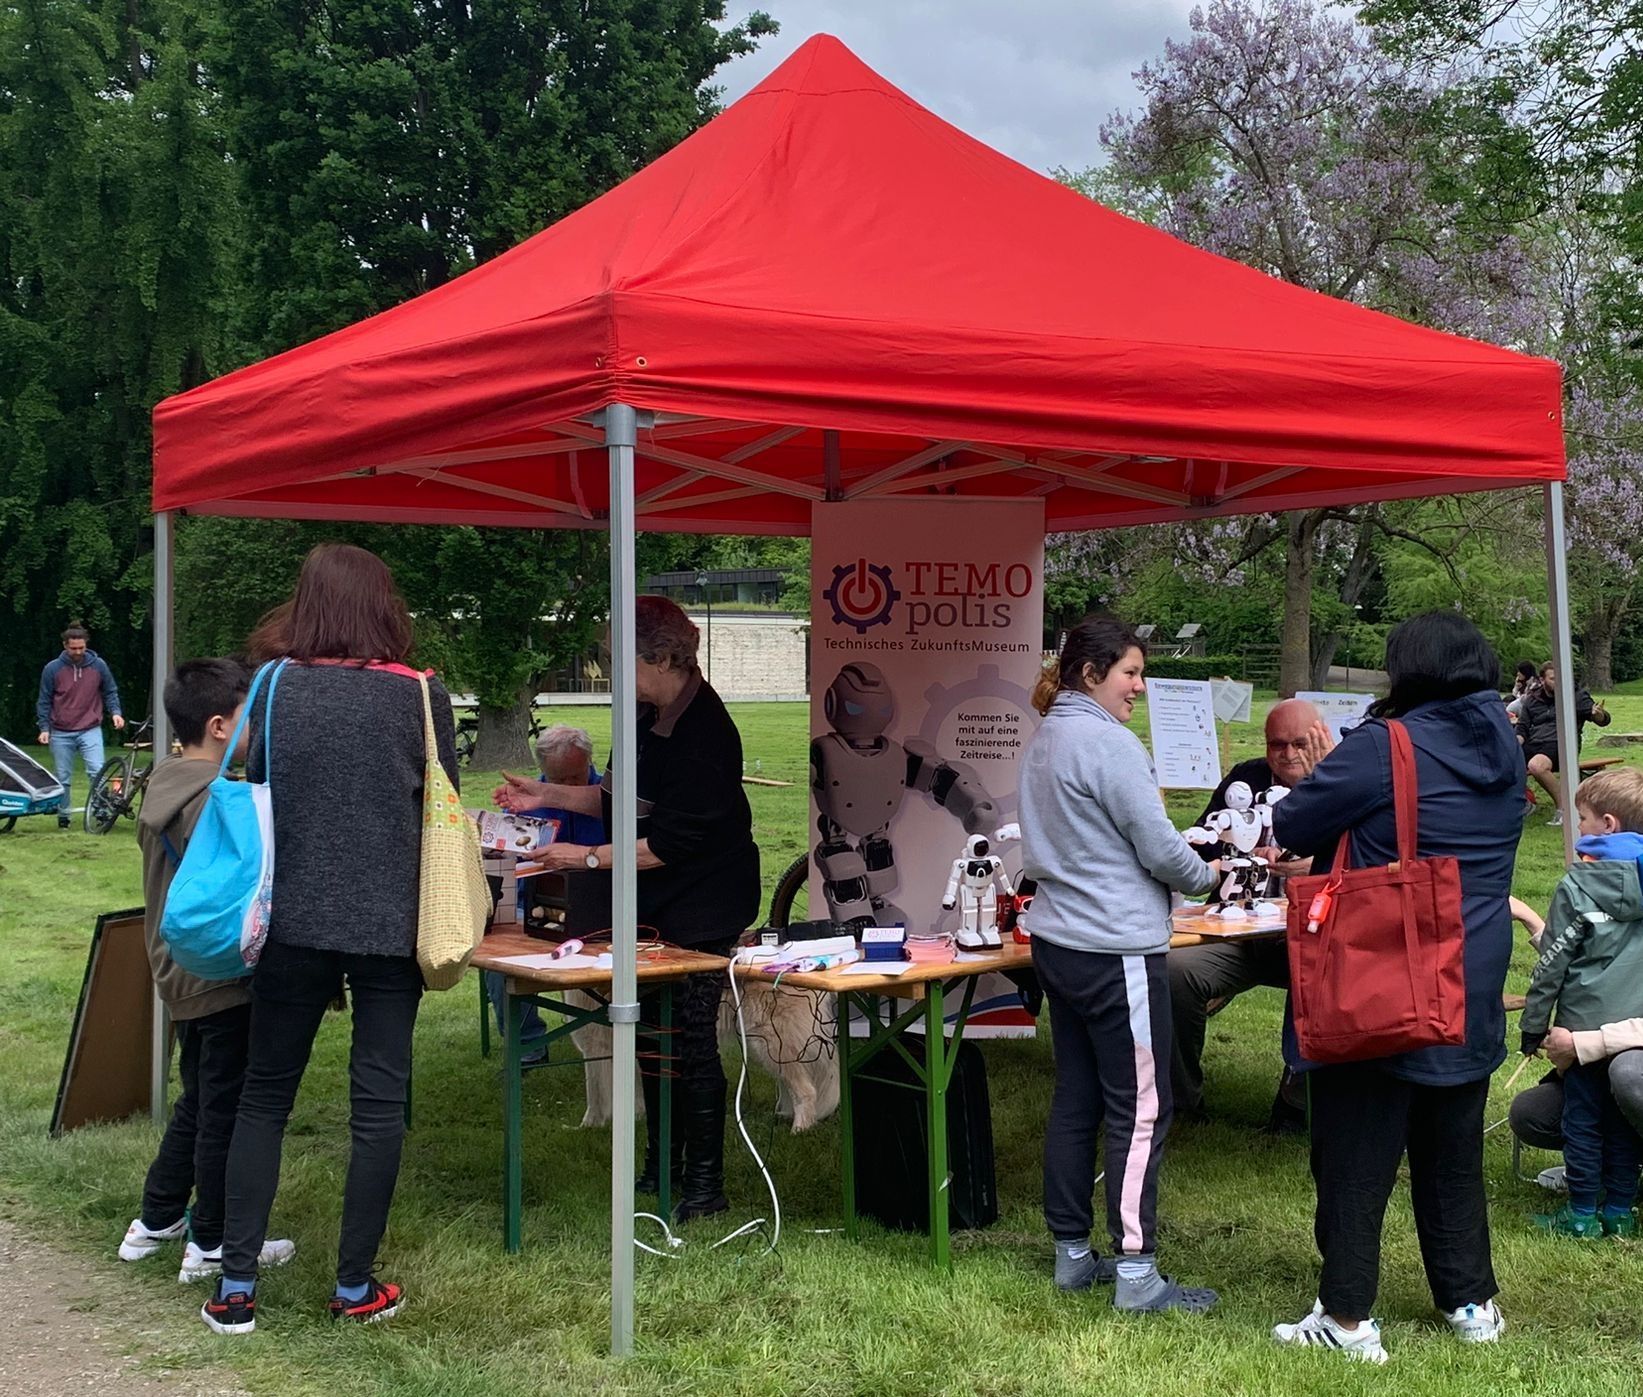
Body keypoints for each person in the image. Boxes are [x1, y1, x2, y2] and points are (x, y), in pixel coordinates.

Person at [202, 544, 458, 1337]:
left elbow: (262, 782)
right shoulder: (422, 696)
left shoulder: (273, 688)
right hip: (389, 925)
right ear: (386, 605)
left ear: (304, 603)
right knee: (377, 1106)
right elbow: (440, 802)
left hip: (289, 920)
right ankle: (352, 1287)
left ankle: (235, 1285)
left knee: (265, 1093)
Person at [1268, 611, 1524, 1362]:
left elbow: (1293, 821)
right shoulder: (1506, 744)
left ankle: (1347, 1318)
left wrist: (1326, 764)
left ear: (1406, 671)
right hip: (1471, 975)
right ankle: (1470, 1301)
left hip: (1386, 970)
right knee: (1451, 1149)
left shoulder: (1384, 746)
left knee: (1354, 1148)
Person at [494, 596, 759, 1221]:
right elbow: (618, 800)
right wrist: (548, 793)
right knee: (649, 1033)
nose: (609, 672)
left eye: (620, 660)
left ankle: (704, 1187)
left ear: (665, 658)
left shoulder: (706, 732)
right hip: (657, 898)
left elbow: (668, 843)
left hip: (706, 901)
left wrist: (580, 860)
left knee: (691, 1035)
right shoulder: (644, 712)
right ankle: (660, 1168)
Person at [1017, 618, 1222, 1314]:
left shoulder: (1048, 735)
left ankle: (1071, 1254)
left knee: (1076, 1097)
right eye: (1129, 672)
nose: (1138, 686)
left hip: (1057, 942)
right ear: (1088, 673)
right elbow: (1161, 849)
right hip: (1113, 949)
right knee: (1140, 1109)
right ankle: (1136, 1273)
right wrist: (1207, 872)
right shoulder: (1108, 743)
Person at [124, 659, 295, 1283]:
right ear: (221, 725)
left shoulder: (168, 781)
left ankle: (156, 1219)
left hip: (178, 969)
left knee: (199, 1099)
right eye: (251, 714)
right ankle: (212, 1242)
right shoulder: (215, 802)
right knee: (226, 1107)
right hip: (221, 975)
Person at [1168, 698, 1321, 1126]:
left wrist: (1314, 865)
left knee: (1319, 978)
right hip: (1241, 930)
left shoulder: (1340, 782)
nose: (1288, 754)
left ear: (1320, 738)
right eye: (1277, 745)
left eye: (1299, 743)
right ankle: (1179, 1100)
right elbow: (1206, 845)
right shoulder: (1246, 779)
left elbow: (1368, 863)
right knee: (1172, 970)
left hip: (1313, 935)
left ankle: (1296, 1104)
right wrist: (1237, 854)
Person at [1518, 768, 1643, 1238]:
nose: (1579, 827)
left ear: (1608, 824)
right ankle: (1620, 1212)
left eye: (1583, 818)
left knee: (1583, 1121)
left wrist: (1534, 1025)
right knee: (1622, 1126)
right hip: (1633, 1030)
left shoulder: (1579, 884)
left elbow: (1552, 962)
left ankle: (1583, 1213)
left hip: (1582, 1028)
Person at [482, 724, 605, 1060]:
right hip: (534, 908)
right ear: (544, 772)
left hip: (602, 904)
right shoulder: (525, 800)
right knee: (498, 959)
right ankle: (528, 1047)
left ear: (589, 762)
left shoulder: (609, 795)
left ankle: (610, 1032)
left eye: (576, 778)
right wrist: (493, 846)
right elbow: (506, 870)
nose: (567, 787)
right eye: (558, 780)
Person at [36, 623, 124, 828]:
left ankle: (100, 812)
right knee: (63, 777)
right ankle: (64, 816)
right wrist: (44, 728)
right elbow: (44, 700)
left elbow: (110, 691)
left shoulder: (98, 665)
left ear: (86, 646)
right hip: (60, 730)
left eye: (81, 648)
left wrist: (116, 713)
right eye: (73, 648)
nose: (77, 652)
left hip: (90, 727)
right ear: (65, 646)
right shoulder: (52, 669)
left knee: (97, 771)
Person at [1516, 660, 1610, 822]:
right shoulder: (1532, 699)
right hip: (1534, 743)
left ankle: (1565, 809)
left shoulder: (1576, 696)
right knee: (1502, 759)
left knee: (1536, 766)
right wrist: (1512, 746)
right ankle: (1523, 803)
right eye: (1553, 678)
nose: (1558, 682)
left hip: (1562, 745)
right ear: (1542, 680)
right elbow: (1522, 728)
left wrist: (1598, 714)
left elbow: (1603, 719)